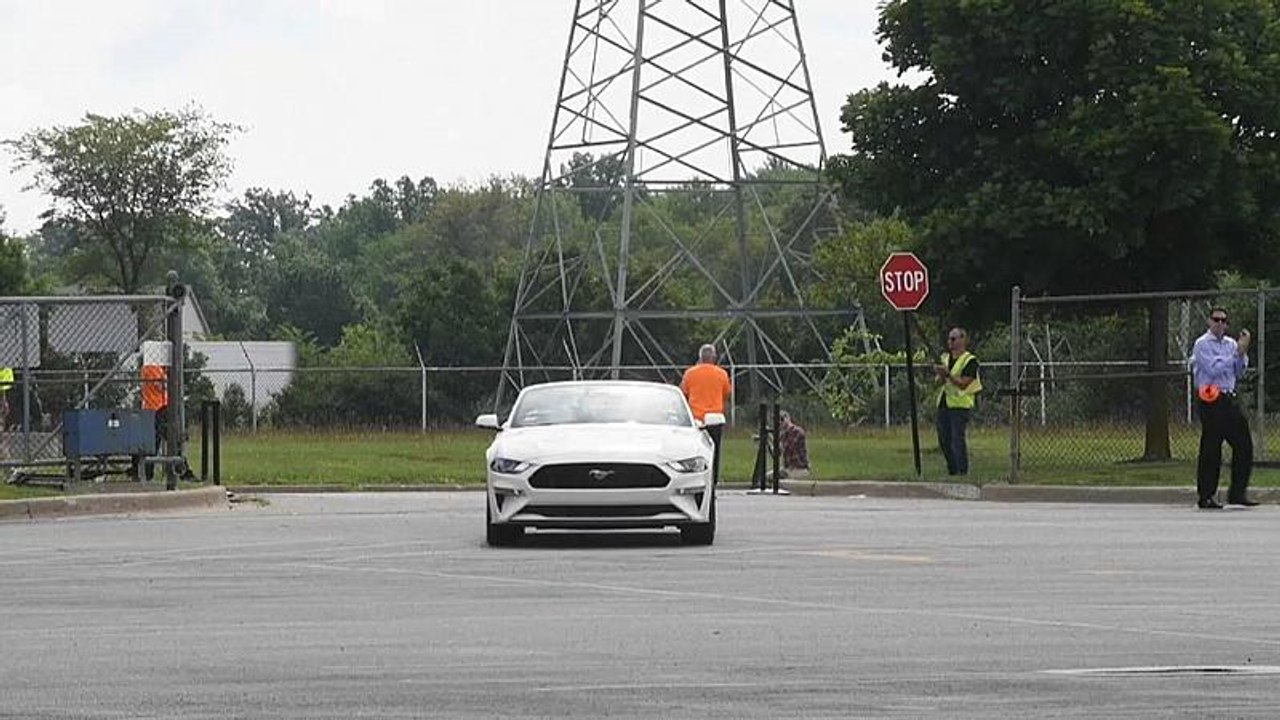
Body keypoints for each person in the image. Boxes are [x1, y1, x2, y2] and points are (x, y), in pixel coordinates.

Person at [1192, 308, 1255, 509]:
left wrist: (1241, 354)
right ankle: (1206, 495)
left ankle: (1237, 493)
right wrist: (1234, 355)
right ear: (1210, 322)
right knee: (1212, 446)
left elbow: (1237, 371)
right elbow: (1212, 369)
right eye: (1216, 320)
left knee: (1243, 443)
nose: (1220, 324)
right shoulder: (1202, 344)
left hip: (1229, 397)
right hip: (1210, 397)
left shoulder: (1231, 344)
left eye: (1223, 321)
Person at [934, 327, 982, 476]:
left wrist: (948, 375)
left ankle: (962, 470)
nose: (951, 342)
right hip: (944, 403)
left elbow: (964, 383)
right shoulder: (945, 358)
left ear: (963, 340)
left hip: (960, 405)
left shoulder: (970, 361)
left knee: (957, 439)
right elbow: (937, 382)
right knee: (944, 439)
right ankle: (952, 469)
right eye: (949, 339)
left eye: (954, 339)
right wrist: (941, 375)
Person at [681, 343, 732, 482]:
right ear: (714, 357)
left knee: (694, 451)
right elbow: (727, 393)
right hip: (715, 418)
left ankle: (695, 478)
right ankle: (713, 479)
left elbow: (684, 392)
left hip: (696, 418)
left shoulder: (690, 373)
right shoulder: (722, 373)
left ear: (700, 357)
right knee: (714, 450)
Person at [767, 410, 810, 481]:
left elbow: (788, 447)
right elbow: (776, 453)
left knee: (781, 481)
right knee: (768, 477)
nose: (780, 424)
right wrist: (767, 440)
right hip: (788, 469)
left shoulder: (797, 432)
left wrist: (775, 438)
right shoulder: (783, 435)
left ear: (787, 419)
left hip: (799, 469)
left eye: (782, 420)